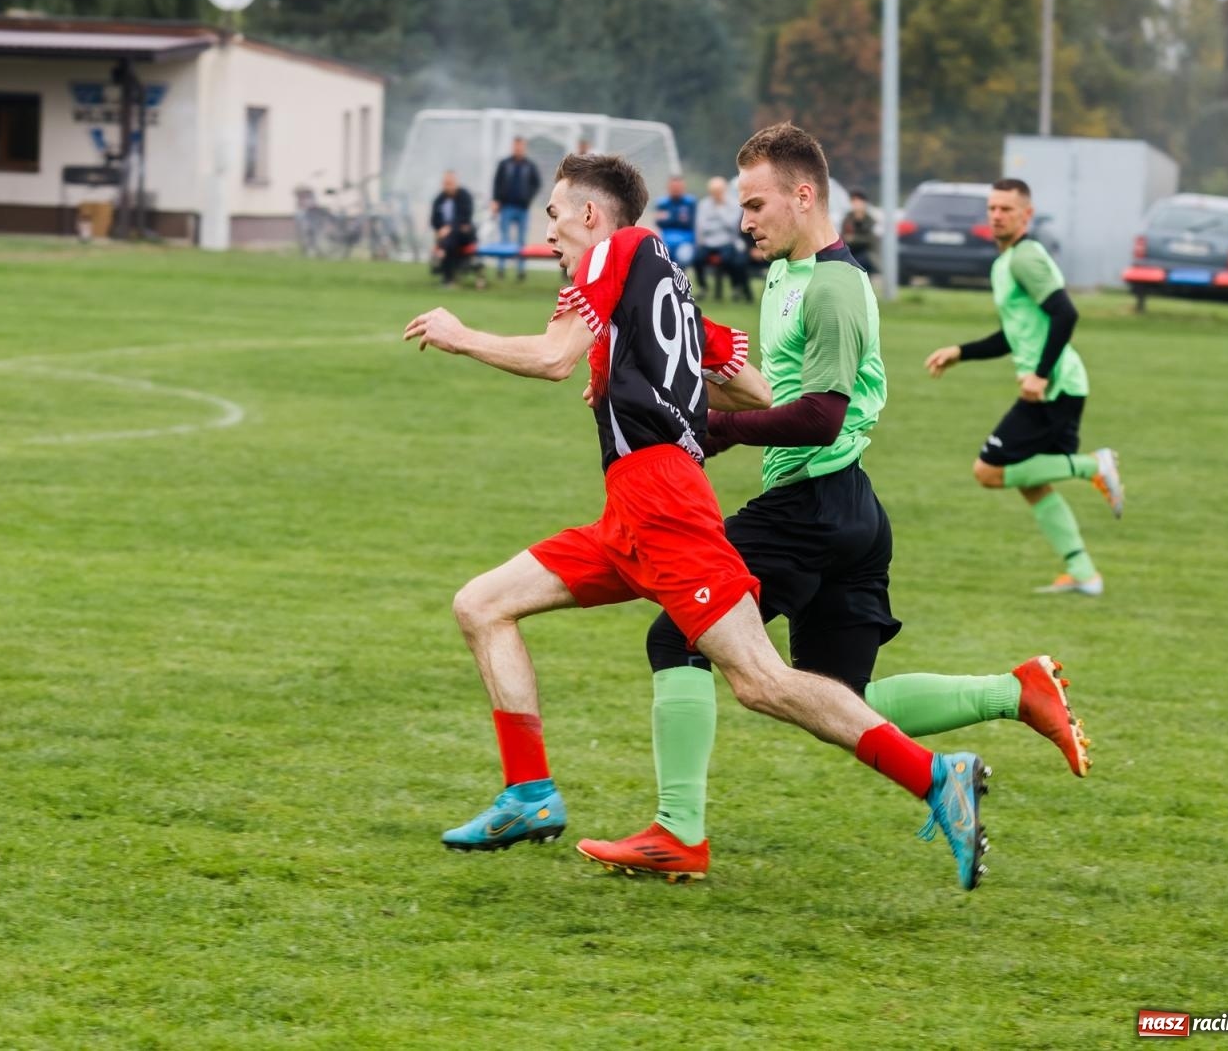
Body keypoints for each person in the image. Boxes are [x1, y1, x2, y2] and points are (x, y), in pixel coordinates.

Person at [404, 152, 992, 891]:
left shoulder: (614, 252)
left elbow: (555, 358)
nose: (547, 232)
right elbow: (751, 385)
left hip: (663, 505)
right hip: (630, 509)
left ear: (591, 215)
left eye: (553, 216)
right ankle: (529, 794)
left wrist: (460, 334)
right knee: (482, 604)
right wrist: (673, 397)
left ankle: (938, 776)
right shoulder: (665, 281)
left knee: (763, 681)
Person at [590, 126, 1092, 883]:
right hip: (847, 505)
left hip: (809, 510)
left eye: (757, 204)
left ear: (804, 195)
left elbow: (822, 413)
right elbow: (784, 389)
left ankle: (678, 833)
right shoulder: (789, 274)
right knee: (838, 696)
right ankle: (1012, 691)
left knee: (679, 638)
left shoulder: (832, 284)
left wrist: (717, 430)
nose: (746, 220)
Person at [924, 178, 1124, 595]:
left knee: (989, 471)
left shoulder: (1025, 258)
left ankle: (1093, 465)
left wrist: (1041, 375)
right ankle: (1083, 572)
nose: (996, 215)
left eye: (1006, 209)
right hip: (1061, 386)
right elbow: (1014, 334)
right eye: (992, 208)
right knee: (1031, 482)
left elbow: (1065, 314)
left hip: (1054, 389)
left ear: (1026, 215)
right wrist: (961, 351)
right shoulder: (1007, 261)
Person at [490, 136, 541, 281]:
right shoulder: (505, 164)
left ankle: (520, 271)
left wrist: (528, 197)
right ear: (513, 147)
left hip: (523, 208)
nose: (518, 148)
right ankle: (501, 269)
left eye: (521, 146)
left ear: (524, 147)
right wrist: (496, 200)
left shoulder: (529, 166)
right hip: (506, 206)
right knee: (504, 239)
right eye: (516, 145)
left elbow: (536, 184)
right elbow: (497, 183)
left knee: (521, 241)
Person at [694, 176, 750, 302]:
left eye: (719, 191)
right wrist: (720, 224)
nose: (716, 195)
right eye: (714, 192)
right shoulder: (704, 204)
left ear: (724, 190)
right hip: (708, 243)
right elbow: (702, 227)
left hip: (727, 242)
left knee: (729, 260)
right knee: (696, 259)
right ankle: (703, 287)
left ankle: (735, 287)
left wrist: (719, 211)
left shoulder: (734, 203)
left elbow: (733, 225)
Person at [430, 170, 477, 288]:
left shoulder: (465, 196)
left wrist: (449, 228)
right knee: (448, 241)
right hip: (446, 236)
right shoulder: (439, 199)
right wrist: (441, 229)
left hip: (463, 235)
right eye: (446, 183)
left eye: (450, 183)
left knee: (451, 237)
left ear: (456, 183)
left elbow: (465, 217)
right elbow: (434, 220)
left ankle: (447, 274)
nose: (448, 186)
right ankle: (448, 277)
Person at [653, 174, 697, 268]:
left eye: (678, 187)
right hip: (666, 240)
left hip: (685, 241)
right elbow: (659, 222)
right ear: (668, 187)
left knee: (684, 257)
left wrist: (669, 218)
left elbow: (690, 223)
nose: (676, 189)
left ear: (683, 187)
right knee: (659, 255)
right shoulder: (662, 203)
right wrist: (678, 219)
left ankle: (680, 279)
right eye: (673, 187)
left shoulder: (691, 202)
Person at [841, 188, 877, 274]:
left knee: (863, 260)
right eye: (854, 201)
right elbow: (844, 237)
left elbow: (871, 240)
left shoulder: (870, 220)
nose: (856, 205)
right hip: (851, 252)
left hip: (867, 254)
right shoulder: (848, 218)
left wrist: (854, 239)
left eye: (859, 201)